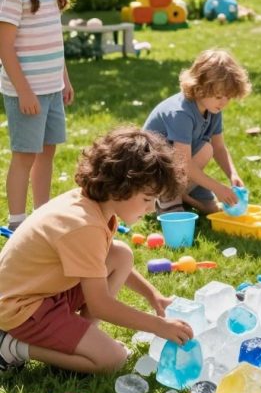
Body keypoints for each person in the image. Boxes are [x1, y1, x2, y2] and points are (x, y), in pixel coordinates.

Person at [0, 126, 193, 374]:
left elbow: (103, 261)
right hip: (20, 308)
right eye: (147, 199)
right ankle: (11, 346)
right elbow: (100, 304)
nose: (151, 208)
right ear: (119, 187)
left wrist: (153, 295)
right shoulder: (84, 225)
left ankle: (78, 338)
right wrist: (158, 326)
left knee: (121, 255)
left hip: (44, 292)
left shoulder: (94, 205)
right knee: (111, 360)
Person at [0, 0, 75, 232]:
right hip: (26, 93)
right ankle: (18, 221)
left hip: (51, 88)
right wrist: (24, 91)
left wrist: (64, 80)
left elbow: (54, 41)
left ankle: (41, 215)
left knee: (47, 152)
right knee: (25, 155)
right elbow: (4, 48)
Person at [144, 48, 251, 214]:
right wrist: (217, 187)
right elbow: (184, 163)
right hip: (153, 174)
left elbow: (220, 148)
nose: (223, 102)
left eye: (228, 97)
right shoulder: (181, 113)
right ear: (200, 88)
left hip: (180, 169)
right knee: (206, 149)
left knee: (212, 209)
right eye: (218, 96)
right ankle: (167, 196)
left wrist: (233, 174)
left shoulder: (213, 109)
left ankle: (182, 194)